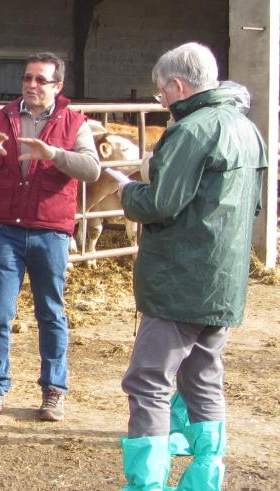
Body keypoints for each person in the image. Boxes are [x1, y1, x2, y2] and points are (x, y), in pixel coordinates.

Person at [116, 42, 267, 490]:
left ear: (178, 85)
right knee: (203, 378)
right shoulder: (245, 128)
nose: (160, 100)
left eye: (161, 91)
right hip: (223, 281)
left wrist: (126, 190)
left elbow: (161, 202)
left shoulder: (191, 130)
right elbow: (255, 206)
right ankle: (205, 479)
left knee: (148, 381)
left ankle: (147, 483)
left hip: (179, 281)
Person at [0, 52, 101, 422]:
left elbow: (91, 168)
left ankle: (53, 390)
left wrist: (53, 153)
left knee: (51, 312)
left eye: (41, 80)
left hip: (50, 231)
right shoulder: (0, 118)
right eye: (27, 78)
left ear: (57, 86)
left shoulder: (75, 122)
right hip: (5, 228)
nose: (32, 85)